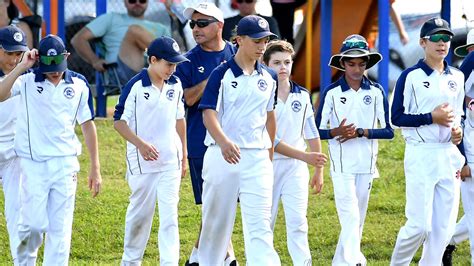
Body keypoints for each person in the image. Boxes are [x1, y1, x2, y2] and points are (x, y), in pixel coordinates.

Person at [0, 34, 102, 265]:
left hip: (65, 165)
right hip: (33, 165)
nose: (55, 72)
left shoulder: (78, 84)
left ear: (66, 57)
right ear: (39, 60)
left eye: (59, 66)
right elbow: (0, 94)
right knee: (33, 226)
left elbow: (87, 125)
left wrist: (95, 167)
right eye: (49, 66)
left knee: (60, 230)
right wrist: (22, 66)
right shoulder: (26, 81)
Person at [197, 15, 281, 265]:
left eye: (265, 40)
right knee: (216, 226)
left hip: (257, 158)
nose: (261, 46)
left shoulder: (270, 77)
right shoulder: (220, 74)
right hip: (222, 156)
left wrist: (268, 155)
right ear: (239, 40)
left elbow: (270, 117)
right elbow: (208, 113)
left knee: (260, 225)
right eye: (256, 40)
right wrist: (223, 142)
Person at [390, 18, 465, 265]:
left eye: (445, 38)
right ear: (423, 42)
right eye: (435, 38)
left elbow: (458, 117)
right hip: (421, 154)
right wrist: (431, 117)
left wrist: (458, 133)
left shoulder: (457, 76)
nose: (441, 43)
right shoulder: (409, 76)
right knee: (419, 226)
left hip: (448, 155)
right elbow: (397, 117)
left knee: (443, 229)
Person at [315, 34, 394, 265]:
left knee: (356, 219)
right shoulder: (331, 92)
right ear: (342, 64)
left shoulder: (377, 91)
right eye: (351, 63)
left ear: (367, 63)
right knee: (349, 216)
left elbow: (389, 131)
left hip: (367, 165)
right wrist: (336, 132)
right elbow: (316, 131)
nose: (356, 69)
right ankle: (356, 261)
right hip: (341, 165)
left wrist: (361, 132)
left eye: (361, 63)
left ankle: (341, 261)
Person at [113, 36, 187, 265]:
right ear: (153, 60)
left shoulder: (175, 84)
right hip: (141, 164)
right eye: (168, 64)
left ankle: (169, 262)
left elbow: (180, 119)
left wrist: (183, 155)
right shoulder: (135, 86)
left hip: (170, 163)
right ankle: (130, 261)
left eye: (175, 64)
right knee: (140, 216)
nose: (172, 69)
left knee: (170, 217)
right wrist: (141, 145)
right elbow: (119, 122)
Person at [174, 2, 238, 265]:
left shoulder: (237, 52)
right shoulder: (188, 60)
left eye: (202, 23)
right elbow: (187, 99)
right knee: (214, 206)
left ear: (219, 26)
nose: (195, 29)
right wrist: (214, 76)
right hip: (202, 143)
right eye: (193, 24)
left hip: (237, 142)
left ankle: (206, 257)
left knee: (225, 205)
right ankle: (214, 257)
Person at [262, 39, 327, 265]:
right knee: (264, 223)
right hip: (267, 166)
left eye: (287, 62)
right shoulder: (261, 95)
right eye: (276, 62)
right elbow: (272, 140)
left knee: (298, 222)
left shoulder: (302, 94)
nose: (282, 67)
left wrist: (318, 168)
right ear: (265, 63)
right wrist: (306, 157)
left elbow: (311, 132)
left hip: (296, 169)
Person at [71, 0, 171, 85]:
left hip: (152, 67)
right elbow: (78, 39)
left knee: (167, 45)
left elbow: (171, 49)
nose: (137, 3)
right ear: (125, 2)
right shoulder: (111, 18)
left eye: (142, 0)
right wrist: (95, 60)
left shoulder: (161, 28)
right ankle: (170, 68)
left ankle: (167, 68)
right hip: (120, 72)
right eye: (132, 0)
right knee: (134, 30)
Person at [441, 28, 474, 266]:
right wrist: (462, 157)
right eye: (469, 51)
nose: (470, 55)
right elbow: (455, 115)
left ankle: (443, 241)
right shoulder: (467, 69)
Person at [0, 25, 28, 264]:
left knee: (18, 212)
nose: (14, 58)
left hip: (12, 153)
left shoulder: (26, 74)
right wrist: (21, 67)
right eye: (9, 53)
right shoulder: (20, 72)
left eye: (18, 53)